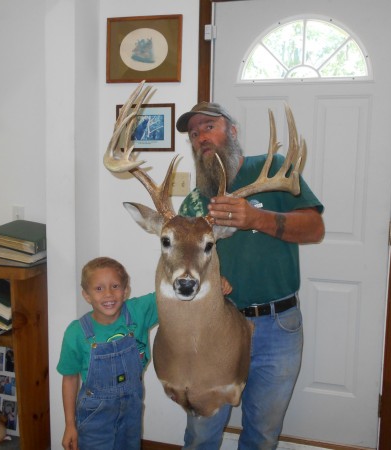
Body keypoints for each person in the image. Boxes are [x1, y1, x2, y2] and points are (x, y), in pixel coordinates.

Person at [176, 102, 325, 450]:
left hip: (277, 326)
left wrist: (256, 219)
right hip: (214, 328)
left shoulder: (273, 170)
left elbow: (315, 228)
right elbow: (183, 269)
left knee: (262, 435)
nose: (201, 137)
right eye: (194, 134)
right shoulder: (195, 202)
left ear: (232, 131)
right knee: (201, 434)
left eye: (209, 127)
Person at [56, 257, 158, 450]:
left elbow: (171, 293)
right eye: (99, 288)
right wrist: (70, 424)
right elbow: (69, 379)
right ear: (86, 295)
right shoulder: (76, 332)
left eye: (115, 286)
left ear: (126, 290)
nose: (109, 294)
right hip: (95, 417)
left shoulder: (138, 312)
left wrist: (213, 282)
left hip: (131, 413)